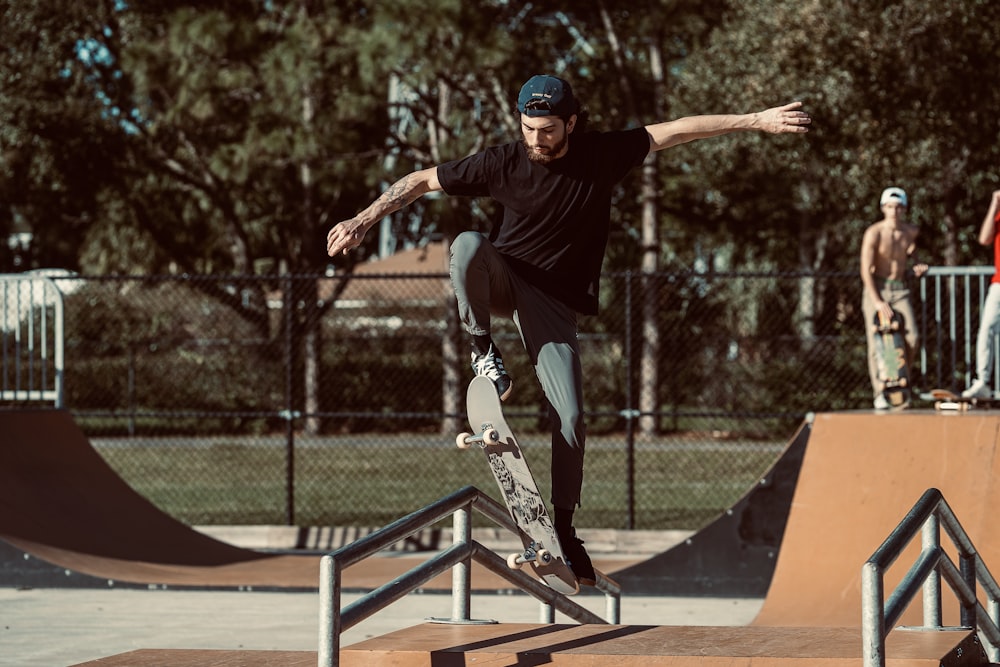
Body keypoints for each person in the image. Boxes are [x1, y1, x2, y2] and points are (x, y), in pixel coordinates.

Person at [326, 74, 811, 585]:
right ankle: (484, 350)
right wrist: (364, 219)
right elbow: (422, 180)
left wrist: (756, 121)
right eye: (530, 128)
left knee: (572, 416)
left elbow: (677, 131)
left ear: (572, 124)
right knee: (466, 245)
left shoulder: (601, 155)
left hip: (552, 302)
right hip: (504, 274)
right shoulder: (501, 161)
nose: (538, 139)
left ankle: (563, 527)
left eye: (549, 130)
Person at [860, 187, 929, 410]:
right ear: (883, 208)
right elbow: (865, 270)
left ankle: (900, 383)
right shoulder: (874, 233)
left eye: (898, 207)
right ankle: (879, 392)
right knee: (877, 341)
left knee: (912, 338)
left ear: (905, 209)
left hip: (899, 289)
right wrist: (878, 301)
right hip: (877, 288)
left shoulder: (910, 232)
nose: (894, 212)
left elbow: (912, 253)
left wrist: (918, 264)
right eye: (890, 207)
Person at [962, 190, 1000, 399]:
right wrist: (994, 203)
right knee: (986, 329)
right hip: (999, 283)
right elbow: (984, 238)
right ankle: (983, 381)